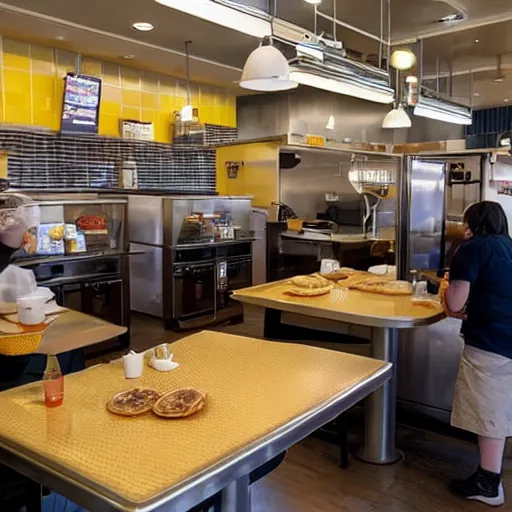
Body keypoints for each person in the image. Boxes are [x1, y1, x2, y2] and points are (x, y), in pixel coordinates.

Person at [440, 201, 512, 507]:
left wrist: (445, 292)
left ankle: (488, 484)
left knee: (489, 414)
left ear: (473, 223)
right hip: (508, 338)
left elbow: (455, 303)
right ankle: (489, 476)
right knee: (500, 408)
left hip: (490, 341)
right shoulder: (509, 246)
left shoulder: (472, 248)